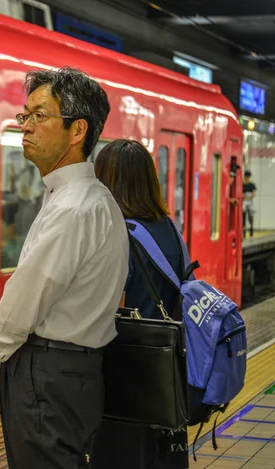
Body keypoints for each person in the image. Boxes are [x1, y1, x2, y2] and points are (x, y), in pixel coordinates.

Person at [0, 67, 129, 468]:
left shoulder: (74, 208)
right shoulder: (91, 200)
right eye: (24, 115)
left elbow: (26, 298)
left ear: (77, 131)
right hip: (69, 374)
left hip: (47, 377)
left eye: (39, 116)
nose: (24, 126)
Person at [92, 139, 190, 469]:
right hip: (167, 380)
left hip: (127, 383)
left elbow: (102, 312)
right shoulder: (171, 229)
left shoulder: (119, 234)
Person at [242, 170, 257, 238]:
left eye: (248, 177)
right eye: (246, 177)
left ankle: (251, 232)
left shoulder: (252, 185)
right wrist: (245, 196)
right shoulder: (242, 185)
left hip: (250, 202)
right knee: (243, 218)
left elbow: (254, 193)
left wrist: (250, 197)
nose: (247, 178)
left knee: (251, 218)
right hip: (244, 202)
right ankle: (243, 233)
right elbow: (240, 193)